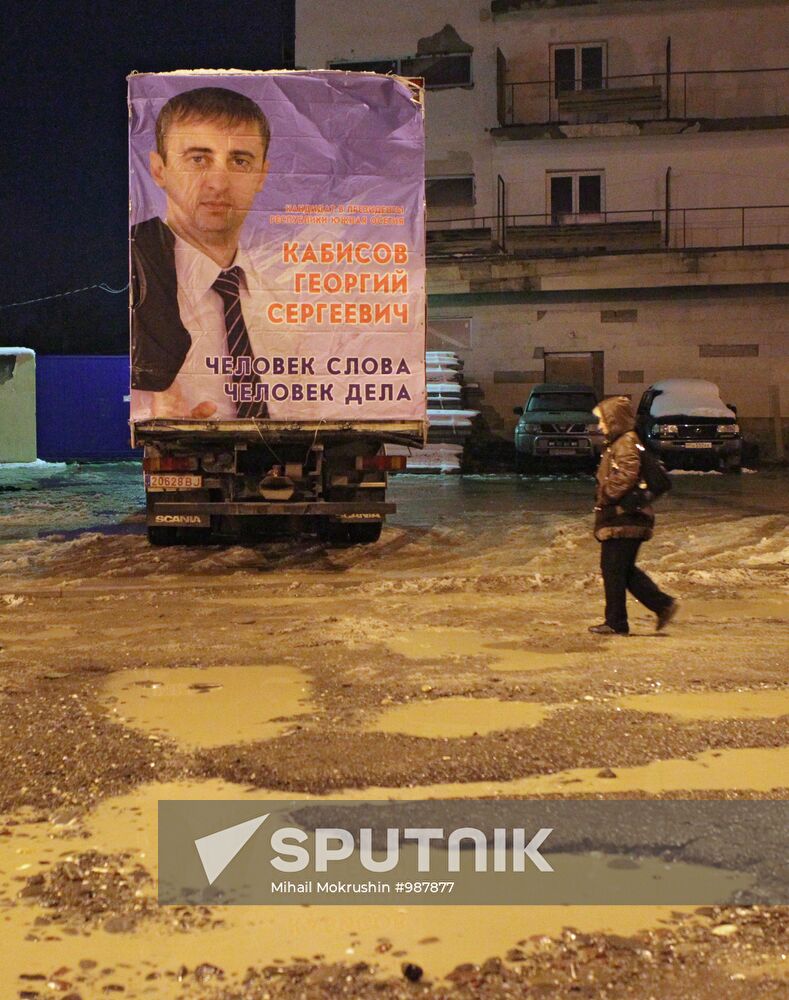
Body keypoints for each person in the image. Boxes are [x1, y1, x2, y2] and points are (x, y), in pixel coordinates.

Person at [130, 86, 271, 419]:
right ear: (158, 169)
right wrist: (155, 411)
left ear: (262, 175)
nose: (218, 183)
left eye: (239, 161)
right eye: (198, 159)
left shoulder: (294, 292)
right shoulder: (137, 275)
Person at [589, 395, 678, 635]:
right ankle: (661, 605)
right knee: (621, 570)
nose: (599, 426)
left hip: (625, 516)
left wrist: (605, 494)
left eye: (602, 421)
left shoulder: (625, 442)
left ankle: (618, 622)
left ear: (614, 420)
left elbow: (627, 474)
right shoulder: (622, 441)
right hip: (628, 516)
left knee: (614, 569)